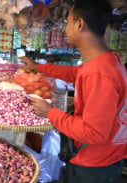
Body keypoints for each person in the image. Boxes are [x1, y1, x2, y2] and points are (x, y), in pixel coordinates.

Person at [19, 0, 127, 182]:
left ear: (80, 24)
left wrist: (50, 112)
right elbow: (78, 73)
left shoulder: (99, 74)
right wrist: (39, 67)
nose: (65, 28)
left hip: (94, 166)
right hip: (103, 158)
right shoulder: (106, 60)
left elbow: (95, 134)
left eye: (68, 21)